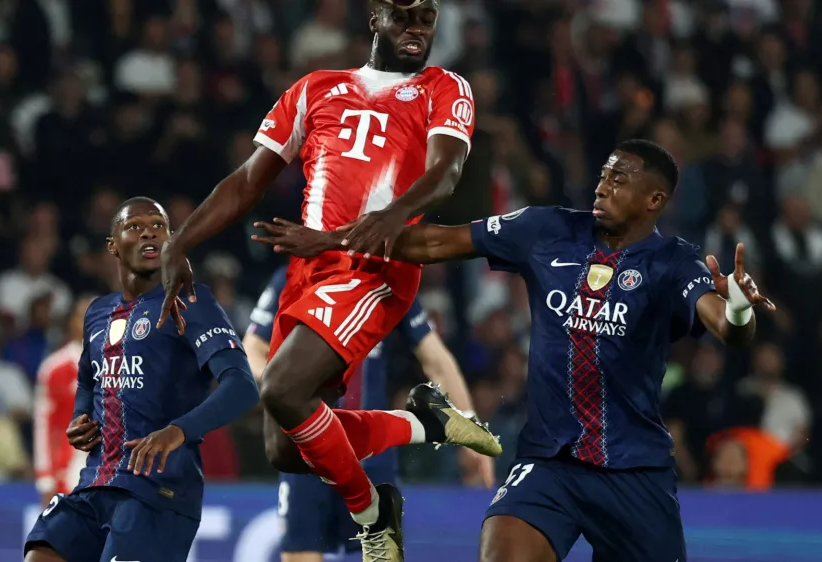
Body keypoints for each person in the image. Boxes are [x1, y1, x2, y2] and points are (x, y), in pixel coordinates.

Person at [252, 139, 777, 562]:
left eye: (620, 178)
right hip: (549, 463)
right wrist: (335, 240)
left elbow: (727, 329)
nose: (602, 184)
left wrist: (736, 307)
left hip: (634, 473)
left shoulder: (674, 261)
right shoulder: (547, 230)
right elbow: (435, 243)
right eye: (603, 172)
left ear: (654, 200)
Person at [159, 1, 500, 559]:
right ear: (375, 18)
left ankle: (373, 512)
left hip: (376, 267)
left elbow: (447, 172)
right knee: (287, 450)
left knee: (281, 388)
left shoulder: (445, 86)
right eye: (403, 15)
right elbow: (247, 181)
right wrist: (180, 242)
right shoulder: (315, 87)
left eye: (426, 18)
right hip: (309, 266)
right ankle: (419, 422)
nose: (416, 29)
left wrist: (389, 219)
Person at [23, 198, 260, 562]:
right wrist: (80, 416)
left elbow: (242, 385)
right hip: (96, 484)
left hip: (158, 491)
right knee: (40, 554)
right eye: (134, 225)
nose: (149, 230)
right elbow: (88, 379)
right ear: (112, 246)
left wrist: (179, 430)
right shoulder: (98, 312)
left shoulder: (190, 302)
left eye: (158, 225)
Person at [244, 265, 495, 562]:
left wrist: (468, 420)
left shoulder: (387, 276)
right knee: (300, 552)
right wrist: (287, 388)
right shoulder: (294, 274)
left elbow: (435, 358)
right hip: (305, 445)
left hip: (369, 453)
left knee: (379, 554)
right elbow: (252, 350)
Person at [33, 295, 95, 509]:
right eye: (85, 316)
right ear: (73, 322)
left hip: (110, 476)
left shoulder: (125, 366)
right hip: (69, 475)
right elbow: (43, 425)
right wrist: (45, 478)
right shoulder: (55, 368)